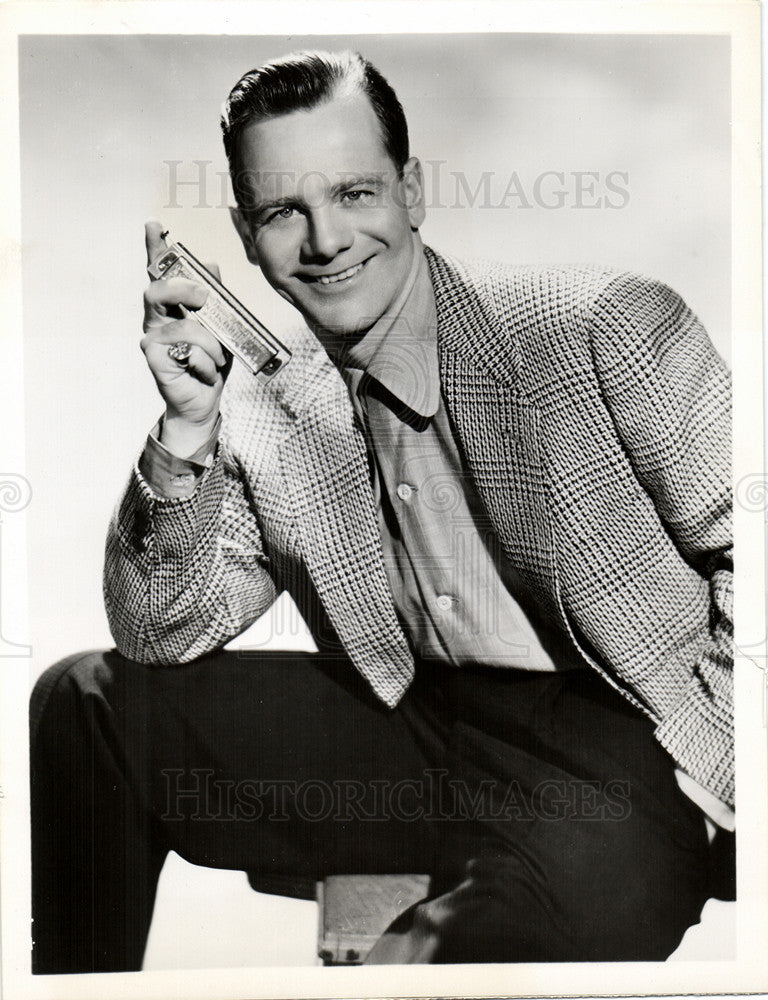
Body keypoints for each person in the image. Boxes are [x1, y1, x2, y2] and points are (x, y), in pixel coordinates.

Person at [30, 49, 734, 972]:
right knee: (89, 704)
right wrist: (188, 425)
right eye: (286, 211)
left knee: (434, 965)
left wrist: (708, 767)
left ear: (411, 191)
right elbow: (161, 635)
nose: (325, 242)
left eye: (355, 194)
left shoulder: (599, 326)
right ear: (247, 236)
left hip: (618, 749)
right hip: (415, 730)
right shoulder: (273, 403)